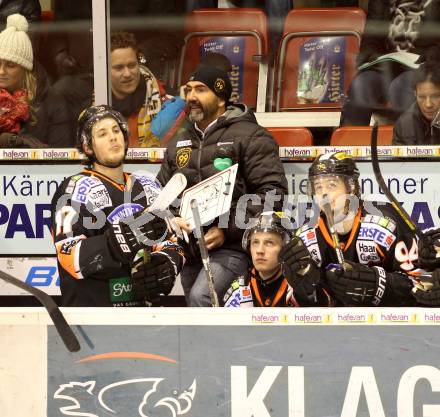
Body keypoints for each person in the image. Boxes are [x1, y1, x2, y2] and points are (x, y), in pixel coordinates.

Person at [157, 65, 288, 306]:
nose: (191, 97)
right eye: (188, 90)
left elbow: (273, 195)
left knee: (202, 297)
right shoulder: (179, 141)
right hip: (191, 249)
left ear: (220, 99)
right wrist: (172, 220)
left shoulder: (251, 135)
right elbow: (161, 195)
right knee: (194, 306)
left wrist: (226, 230)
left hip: (233, 247)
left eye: (200, 90)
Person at [50, 105, 184, 307]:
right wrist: (115, 243)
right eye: (102, 134)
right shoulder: (74, 188)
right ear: (88, 147)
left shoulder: (148, 186)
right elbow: (69, 255)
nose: (113, 137)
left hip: (145, 314)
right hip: (94, 315)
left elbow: (171, 241)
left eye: (116, 130)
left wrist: (165, 264)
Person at [279, 151, 422, 306]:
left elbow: (421, 285)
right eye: (318, 187)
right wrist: (306, 291)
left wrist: (377, 286)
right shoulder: (306, 237)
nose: (324, 193)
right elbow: (301, 307)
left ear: (351, 188)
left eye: (331, 185)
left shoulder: (385, 224)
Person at [340, 0, 440, 126]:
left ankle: (407, 142)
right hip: (387, 66)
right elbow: (370, 39)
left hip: (424, 65)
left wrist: (431, 56)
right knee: (362, 85)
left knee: (401, 87)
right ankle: (350, 143)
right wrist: (373, 54)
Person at [0, 13, 72, 147]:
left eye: (10, 65)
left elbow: (62, 156)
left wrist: (18, 142)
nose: (1, 71)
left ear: (25, 69)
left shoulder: (52, 102)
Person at [223, 211, 298, 307]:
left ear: (286, 248)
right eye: (255, 242)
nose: (259, 250)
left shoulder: (298, 286)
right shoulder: (239, 291)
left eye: (269, 243)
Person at [393, 50, 440, 145]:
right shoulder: (404, 125)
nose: (428, 104)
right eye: (422, 97)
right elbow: (399, 160)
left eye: (435, 96)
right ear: (415, 94)